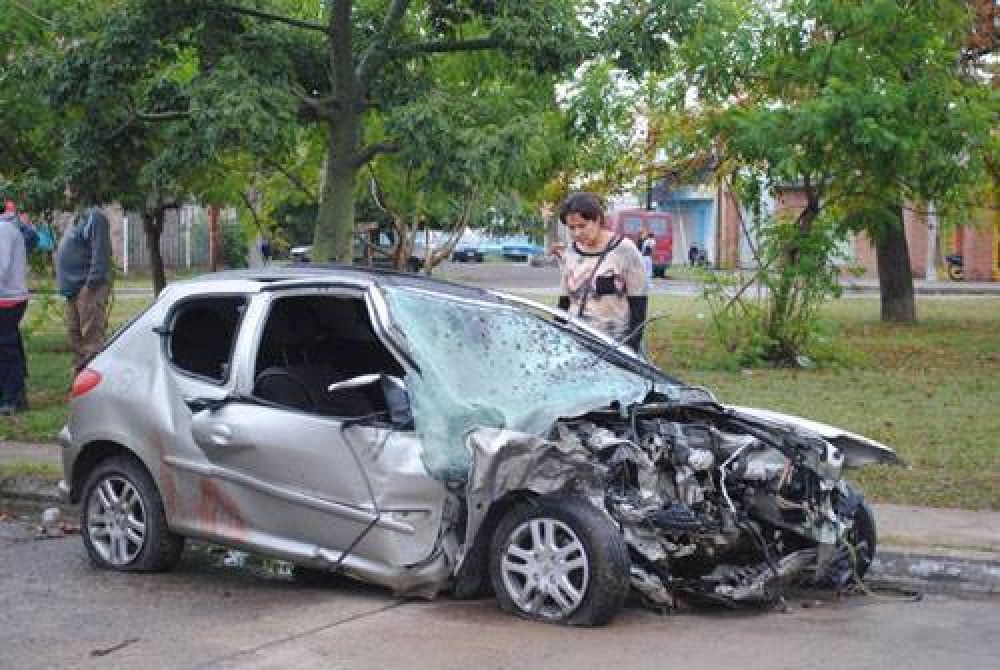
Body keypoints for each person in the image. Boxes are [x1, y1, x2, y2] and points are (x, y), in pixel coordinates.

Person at [557, 192, 648, 352]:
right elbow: (564, 301)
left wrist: (630, 347)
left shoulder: (625, 250)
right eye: (571, 227)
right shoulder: (570, 252)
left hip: (614, 345)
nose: (576, 233)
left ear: (598, 220)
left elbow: (638, 305)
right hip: (574, 343)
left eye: (582, 226)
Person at [56, 206, 112, 374]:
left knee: (91, 339)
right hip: (73, 289)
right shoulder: (78, 216)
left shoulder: (95, 217)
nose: (67, 191)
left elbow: (101, 254)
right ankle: (80, 381)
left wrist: (90, 285)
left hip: (88, 288)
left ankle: (94, 387)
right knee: (75, 335)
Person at [0, 203, 30, 414]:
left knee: (6, 349)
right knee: (9, 347)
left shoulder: (3, 229)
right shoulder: (8, 227)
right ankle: (15, 396)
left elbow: (1, 267)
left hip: (7, 299)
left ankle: (11, 399)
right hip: (9, 297)